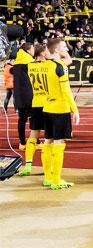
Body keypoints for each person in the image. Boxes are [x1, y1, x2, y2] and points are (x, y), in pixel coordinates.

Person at [42, 38, 81, 189]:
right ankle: (56, 179)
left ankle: (47, 177)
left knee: (48, 141)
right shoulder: (60, 66)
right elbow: (66, 90)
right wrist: (75, 109)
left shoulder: (44, 65)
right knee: (59, 143)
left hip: (47, 106)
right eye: (64, 46)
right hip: (60, 108)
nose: (67, 48)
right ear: (57, 50)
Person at [20, 44, 46, 177]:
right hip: (48, 104)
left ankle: (28, 165)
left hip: (35, 103)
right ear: (41, 53)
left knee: (33, 135)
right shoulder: (49, 66)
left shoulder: (29, 65)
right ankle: (47, 167)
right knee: (49, 138)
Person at [12, 43, 33, 152]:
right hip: (29, 95)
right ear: (28, 50)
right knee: (33, 119)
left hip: (18, 97)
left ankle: (22, 142)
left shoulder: (15, 65)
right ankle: (35, 142)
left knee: (22, 120)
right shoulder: (29, 63)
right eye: (32, 48)